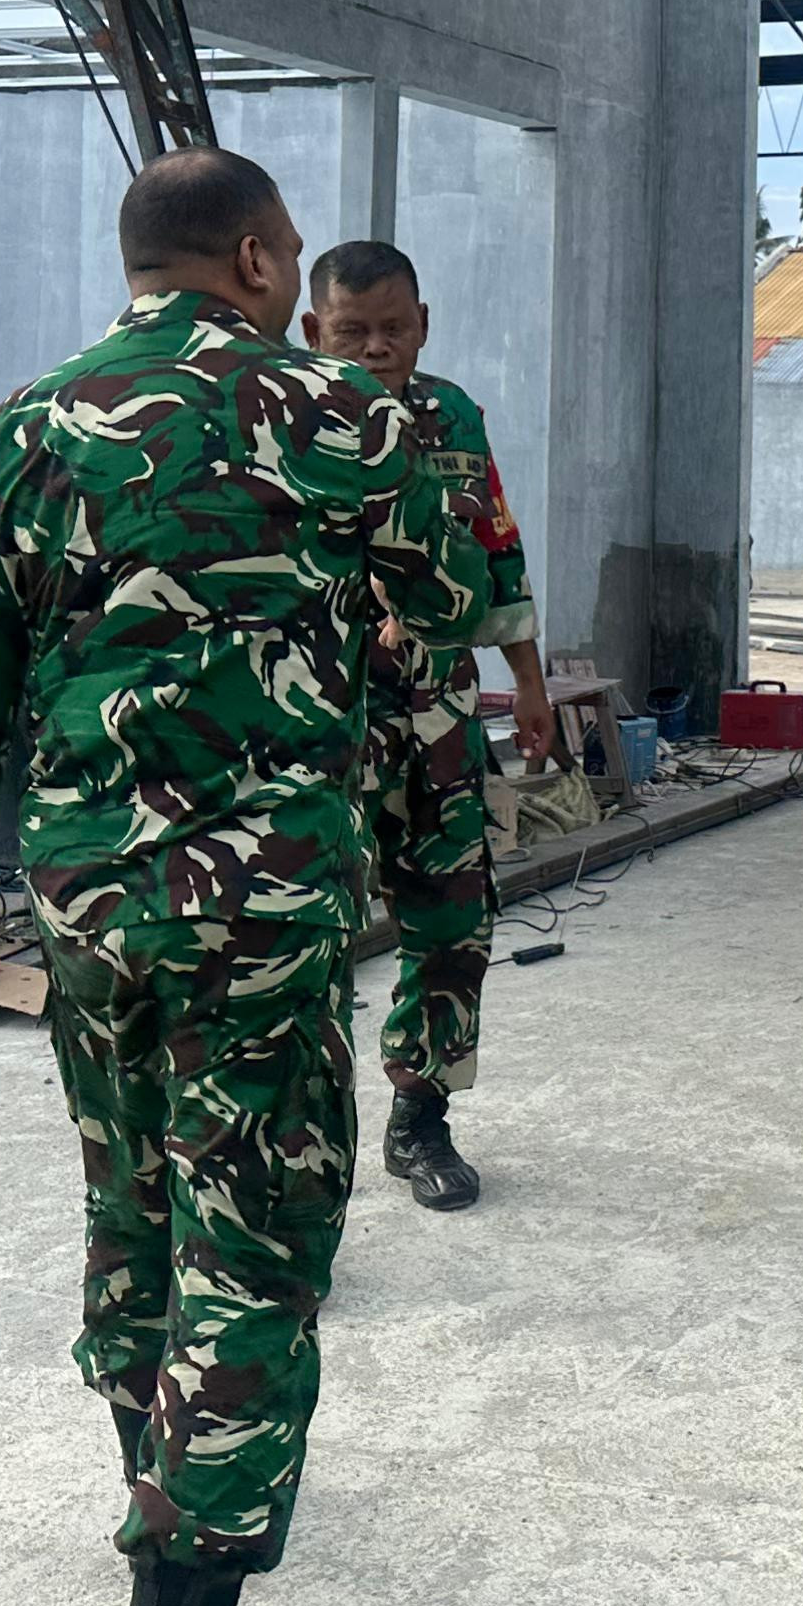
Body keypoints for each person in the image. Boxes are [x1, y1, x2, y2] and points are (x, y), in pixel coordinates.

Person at [0, 144, 486, 1606]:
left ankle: (150, 1512)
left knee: (133, 1215)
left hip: (88, 908)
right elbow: (433, 606)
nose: (305, 294)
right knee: (256, 1251)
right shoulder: (347, 420)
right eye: (289, 262)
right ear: (245, 255)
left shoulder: (26, 423)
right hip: (263, 906)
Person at [300, 238, 552, 1213]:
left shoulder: (451, 416)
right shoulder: (277, 426)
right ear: (315, 330)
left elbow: (496, 549)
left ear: (424, 326)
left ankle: (421, 1118)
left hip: (440, 722)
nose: (376, 348)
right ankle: (294, 1158)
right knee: (301, 938)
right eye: (353, 331)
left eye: (394, 329)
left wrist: (526, 681)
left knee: (453, 923)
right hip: (316, 726)